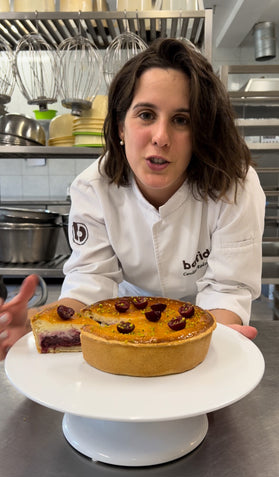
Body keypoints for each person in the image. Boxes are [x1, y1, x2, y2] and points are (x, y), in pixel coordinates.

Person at [0, 38, 265, 360]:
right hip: (125, 321)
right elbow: (91, 279)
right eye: (145, 115)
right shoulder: (92, 187)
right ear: (120, 126)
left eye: (182, 120)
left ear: (202, 131)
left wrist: (206, 344)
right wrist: (39, 325)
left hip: (205, 317)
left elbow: (228, 288)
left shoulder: (235, 184)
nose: (161, 138)